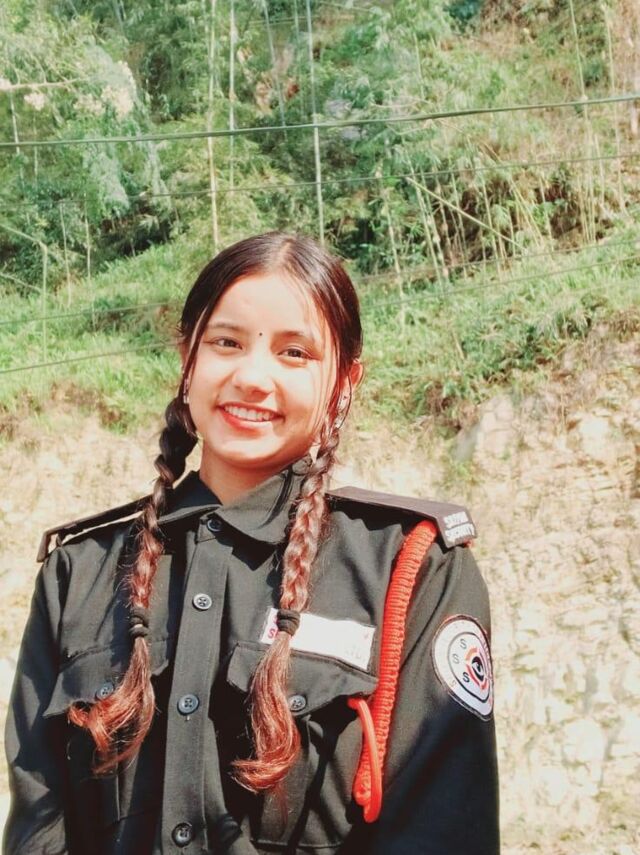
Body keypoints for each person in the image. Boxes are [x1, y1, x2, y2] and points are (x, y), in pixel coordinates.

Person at [4, 231, 499, 854]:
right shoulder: (80, 571)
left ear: (345, 383)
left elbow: (443, 831)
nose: (252, 377)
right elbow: (39, 827)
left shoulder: (412, 569)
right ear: (187, 358)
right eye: (226, 343)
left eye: (295, 353)